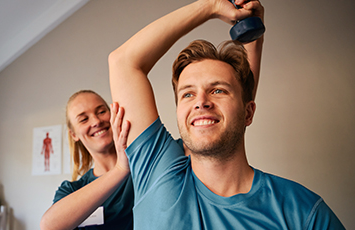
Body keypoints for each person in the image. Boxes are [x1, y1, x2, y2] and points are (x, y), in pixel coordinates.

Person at [108, 0, 345, 229]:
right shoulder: (158, 173)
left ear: (248, 113)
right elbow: (123, 62)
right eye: (188, 94)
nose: (201, 102)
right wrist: (210, 6)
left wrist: (253, 38)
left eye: (218, 90)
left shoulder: (301, 212)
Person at [40, 90, 133, 230]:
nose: (96, 121)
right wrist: (120, 169)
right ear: (74, 134)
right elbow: (49, 226)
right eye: (84, 119)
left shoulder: (144, 166)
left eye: (101, 112)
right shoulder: (72, 190)